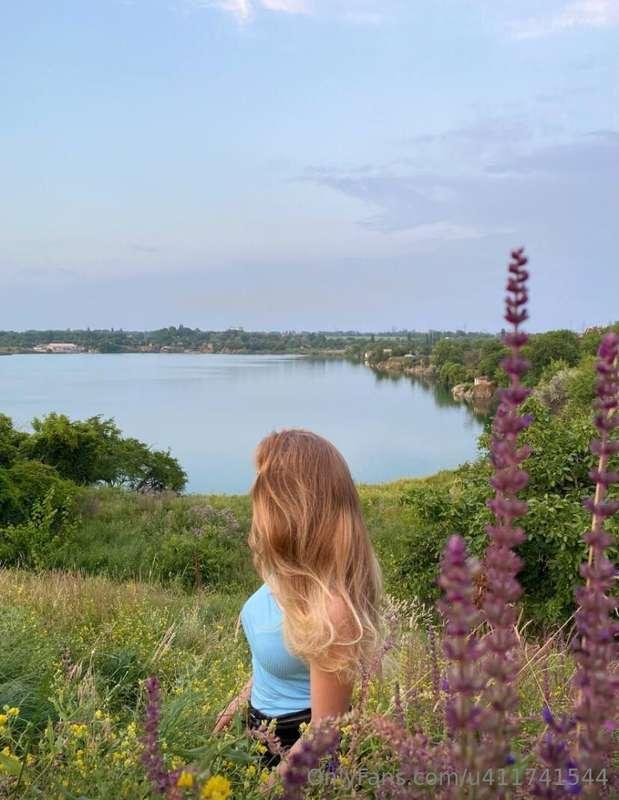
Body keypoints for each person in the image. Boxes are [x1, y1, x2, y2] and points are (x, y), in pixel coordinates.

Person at [213, 429, 383, 775]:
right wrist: (242, 699)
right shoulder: (284, 573)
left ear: (293, 503)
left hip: (297, 752)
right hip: (260, 734)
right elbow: (278, 654)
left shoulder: (334, 609)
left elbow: (324, 732)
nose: (253, 493)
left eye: (263, 484)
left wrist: (270, 789)